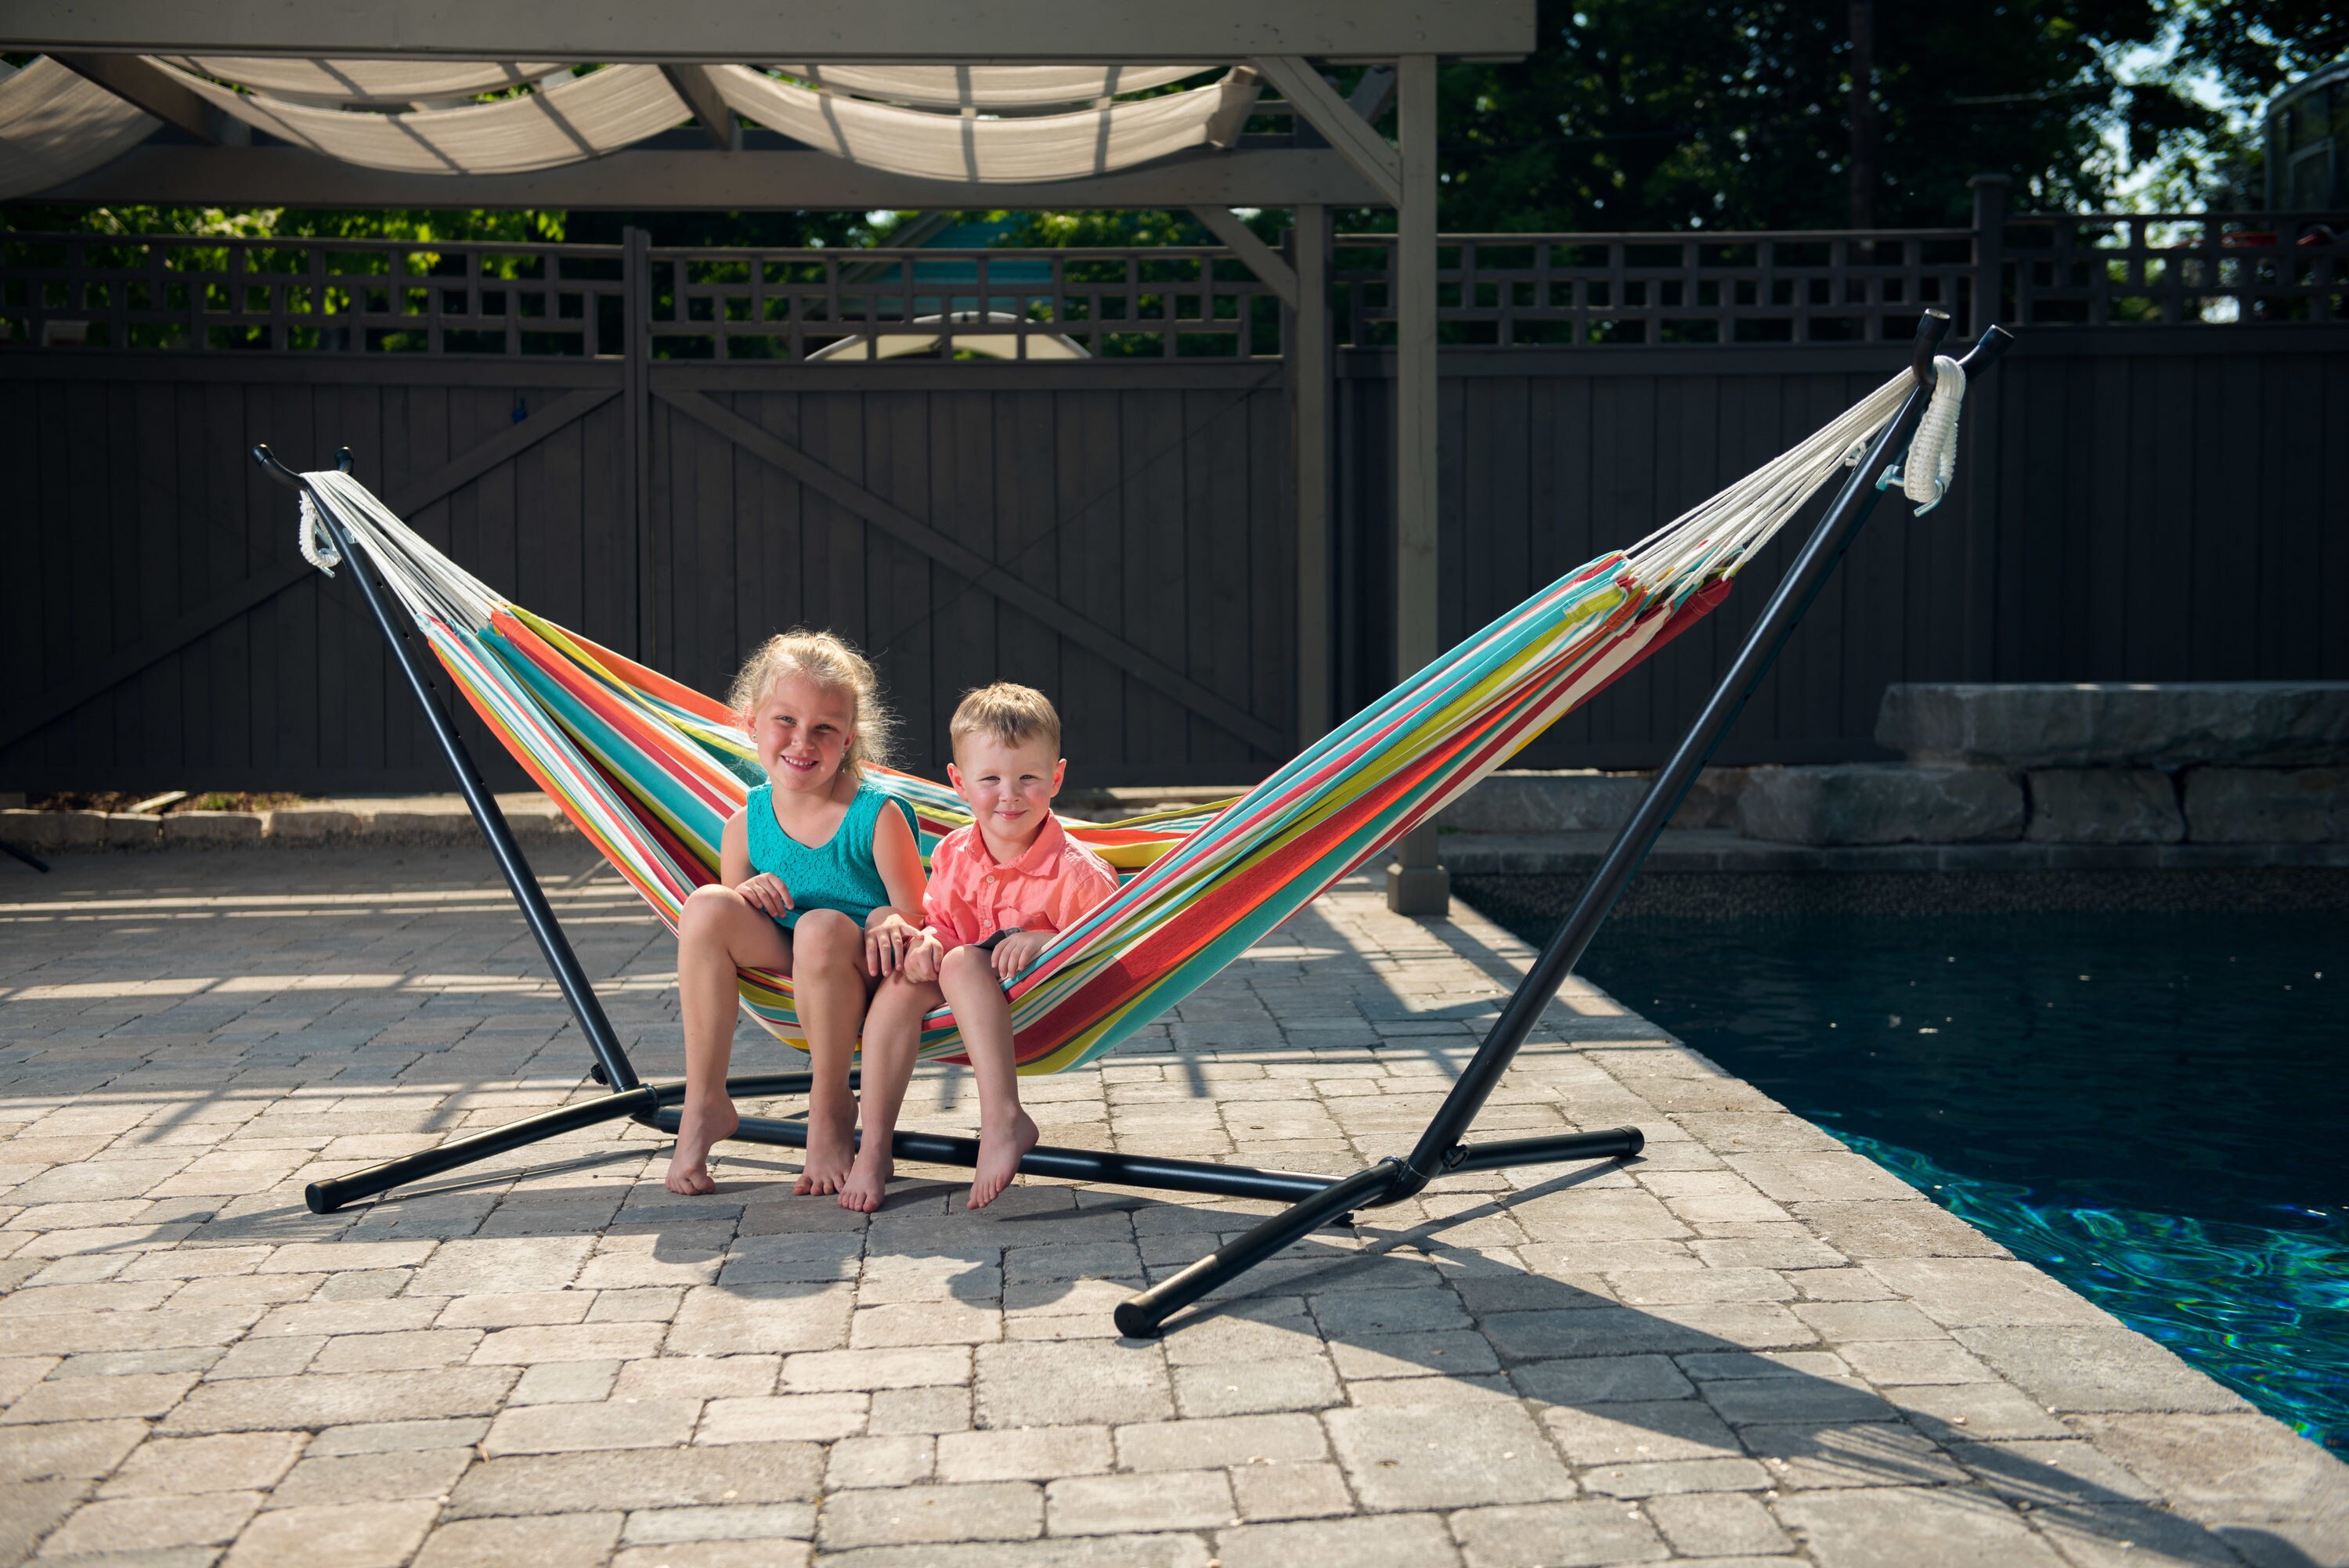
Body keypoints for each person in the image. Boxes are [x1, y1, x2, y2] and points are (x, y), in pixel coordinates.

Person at [665, 630, 927, 1198]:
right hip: (790, 964)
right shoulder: (746, 823)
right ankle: (704, 1099)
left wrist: (887, 914)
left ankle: (830, 1101)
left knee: (821, 924)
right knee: (707, 905)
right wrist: (748, 889)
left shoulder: (876, 816)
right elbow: (733, 923)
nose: (801, 741)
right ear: (752, 722)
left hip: (858, 969)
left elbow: (919, 916)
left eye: (824, 729)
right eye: (785, 720)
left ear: (849, 738)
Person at [850, 683, 1120, 1213]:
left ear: (1056, 778)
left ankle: (1003, 1118)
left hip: (1041, 1009)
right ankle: (875, 1145)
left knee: (959, 960)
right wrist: (926, 938)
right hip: (964, 996)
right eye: (990, 779)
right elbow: (946, 924)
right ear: (959, 782)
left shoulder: (1077, 873)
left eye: (1028, 778)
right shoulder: (954, 852)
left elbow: (1112, 951)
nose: (1009, 794)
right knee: (906, 980)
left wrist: (1050, 941)